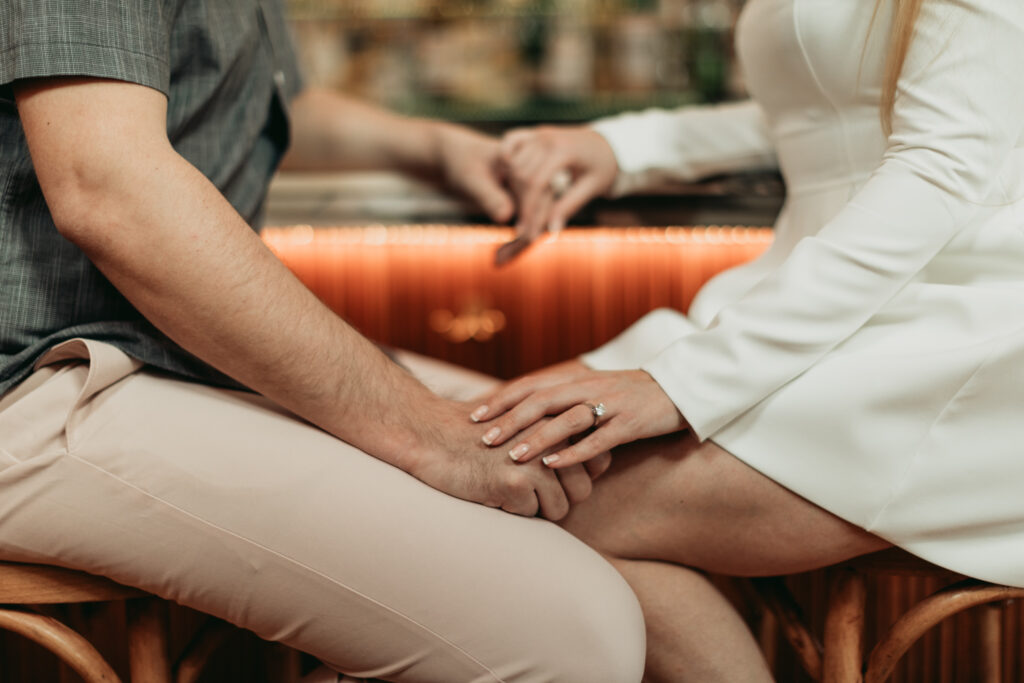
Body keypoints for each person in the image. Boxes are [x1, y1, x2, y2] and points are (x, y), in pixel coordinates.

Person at [0, 1, 647, 681]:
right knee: (572, 629)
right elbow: (107, 186)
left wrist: (431, 148)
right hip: (34, 379)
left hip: (162, 347)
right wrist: (421, 429)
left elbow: (263, 102)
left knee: (598, 481)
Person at [475, 0, 1024, 680]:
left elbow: (943, 162)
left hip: (958, 332)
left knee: (530, 501)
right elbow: (831, 100)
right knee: (498, 473)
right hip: (808, 316)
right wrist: (628, 146)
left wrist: (684, 381)